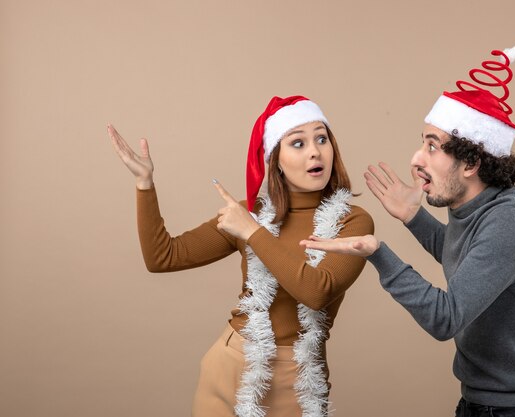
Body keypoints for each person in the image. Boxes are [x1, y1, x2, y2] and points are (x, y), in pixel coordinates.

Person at [301, 48, 515, 416]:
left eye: (432, 146)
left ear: (471, 162)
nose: (416, 159)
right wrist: (414, 217)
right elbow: (469, 261)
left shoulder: (510, 221)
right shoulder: (480, 207)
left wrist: (377, 253)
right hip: (482, 402)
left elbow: (446, 317)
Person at [108, 95, 374, 417]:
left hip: (297, 380)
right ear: (275, 158)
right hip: (229, 364)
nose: (315, 151)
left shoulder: (352, 221)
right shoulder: (254, 215)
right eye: (298, 143)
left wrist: (252, 233)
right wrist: (144, 184)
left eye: (321, 138)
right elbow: (163, 257)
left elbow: (317, 292)